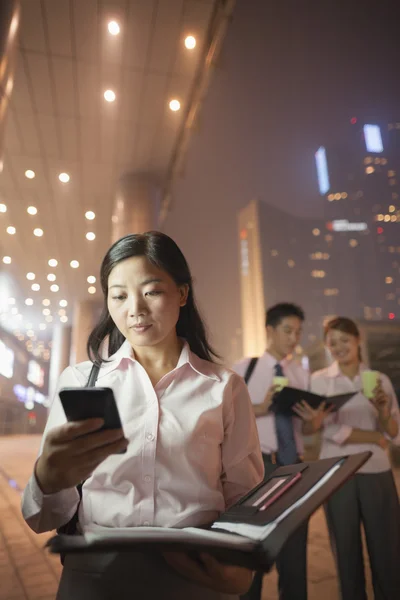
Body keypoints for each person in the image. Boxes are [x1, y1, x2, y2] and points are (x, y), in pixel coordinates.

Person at [21, 231, 264, 600]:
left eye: (151, 291)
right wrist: (47, 479)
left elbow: (243, 496)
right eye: (119, 295)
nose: (134, 308)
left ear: (182, 294)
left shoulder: (224, 387)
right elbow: (44, 517)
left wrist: (239, 570)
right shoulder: (79, 382)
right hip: (95, 575)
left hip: (194, 576)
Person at [233, 303, 330, 600]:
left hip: (294, 468)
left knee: (294, 550)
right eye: (288, 331)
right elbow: (225, 421)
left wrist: (314, 422)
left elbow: (306, 432)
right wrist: (260, 407)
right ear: (270, 331)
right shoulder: (243, 371)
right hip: (257, 467)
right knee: (250, 551)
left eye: (298, 332)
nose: (294, 338)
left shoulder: (300, 377)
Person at [311, 316, 400, 600]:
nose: (338, 346)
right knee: (346, 554)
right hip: (337, 472)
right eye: (332, 342)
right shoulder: (319, 380)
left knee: (387, 553)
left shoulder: (379, 380)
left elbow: (394, 433)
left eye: (344, 340)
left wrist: (383, 413)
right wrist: (374, 437)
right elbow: (328, 429)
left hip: (377, 471)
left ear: (357, 340)